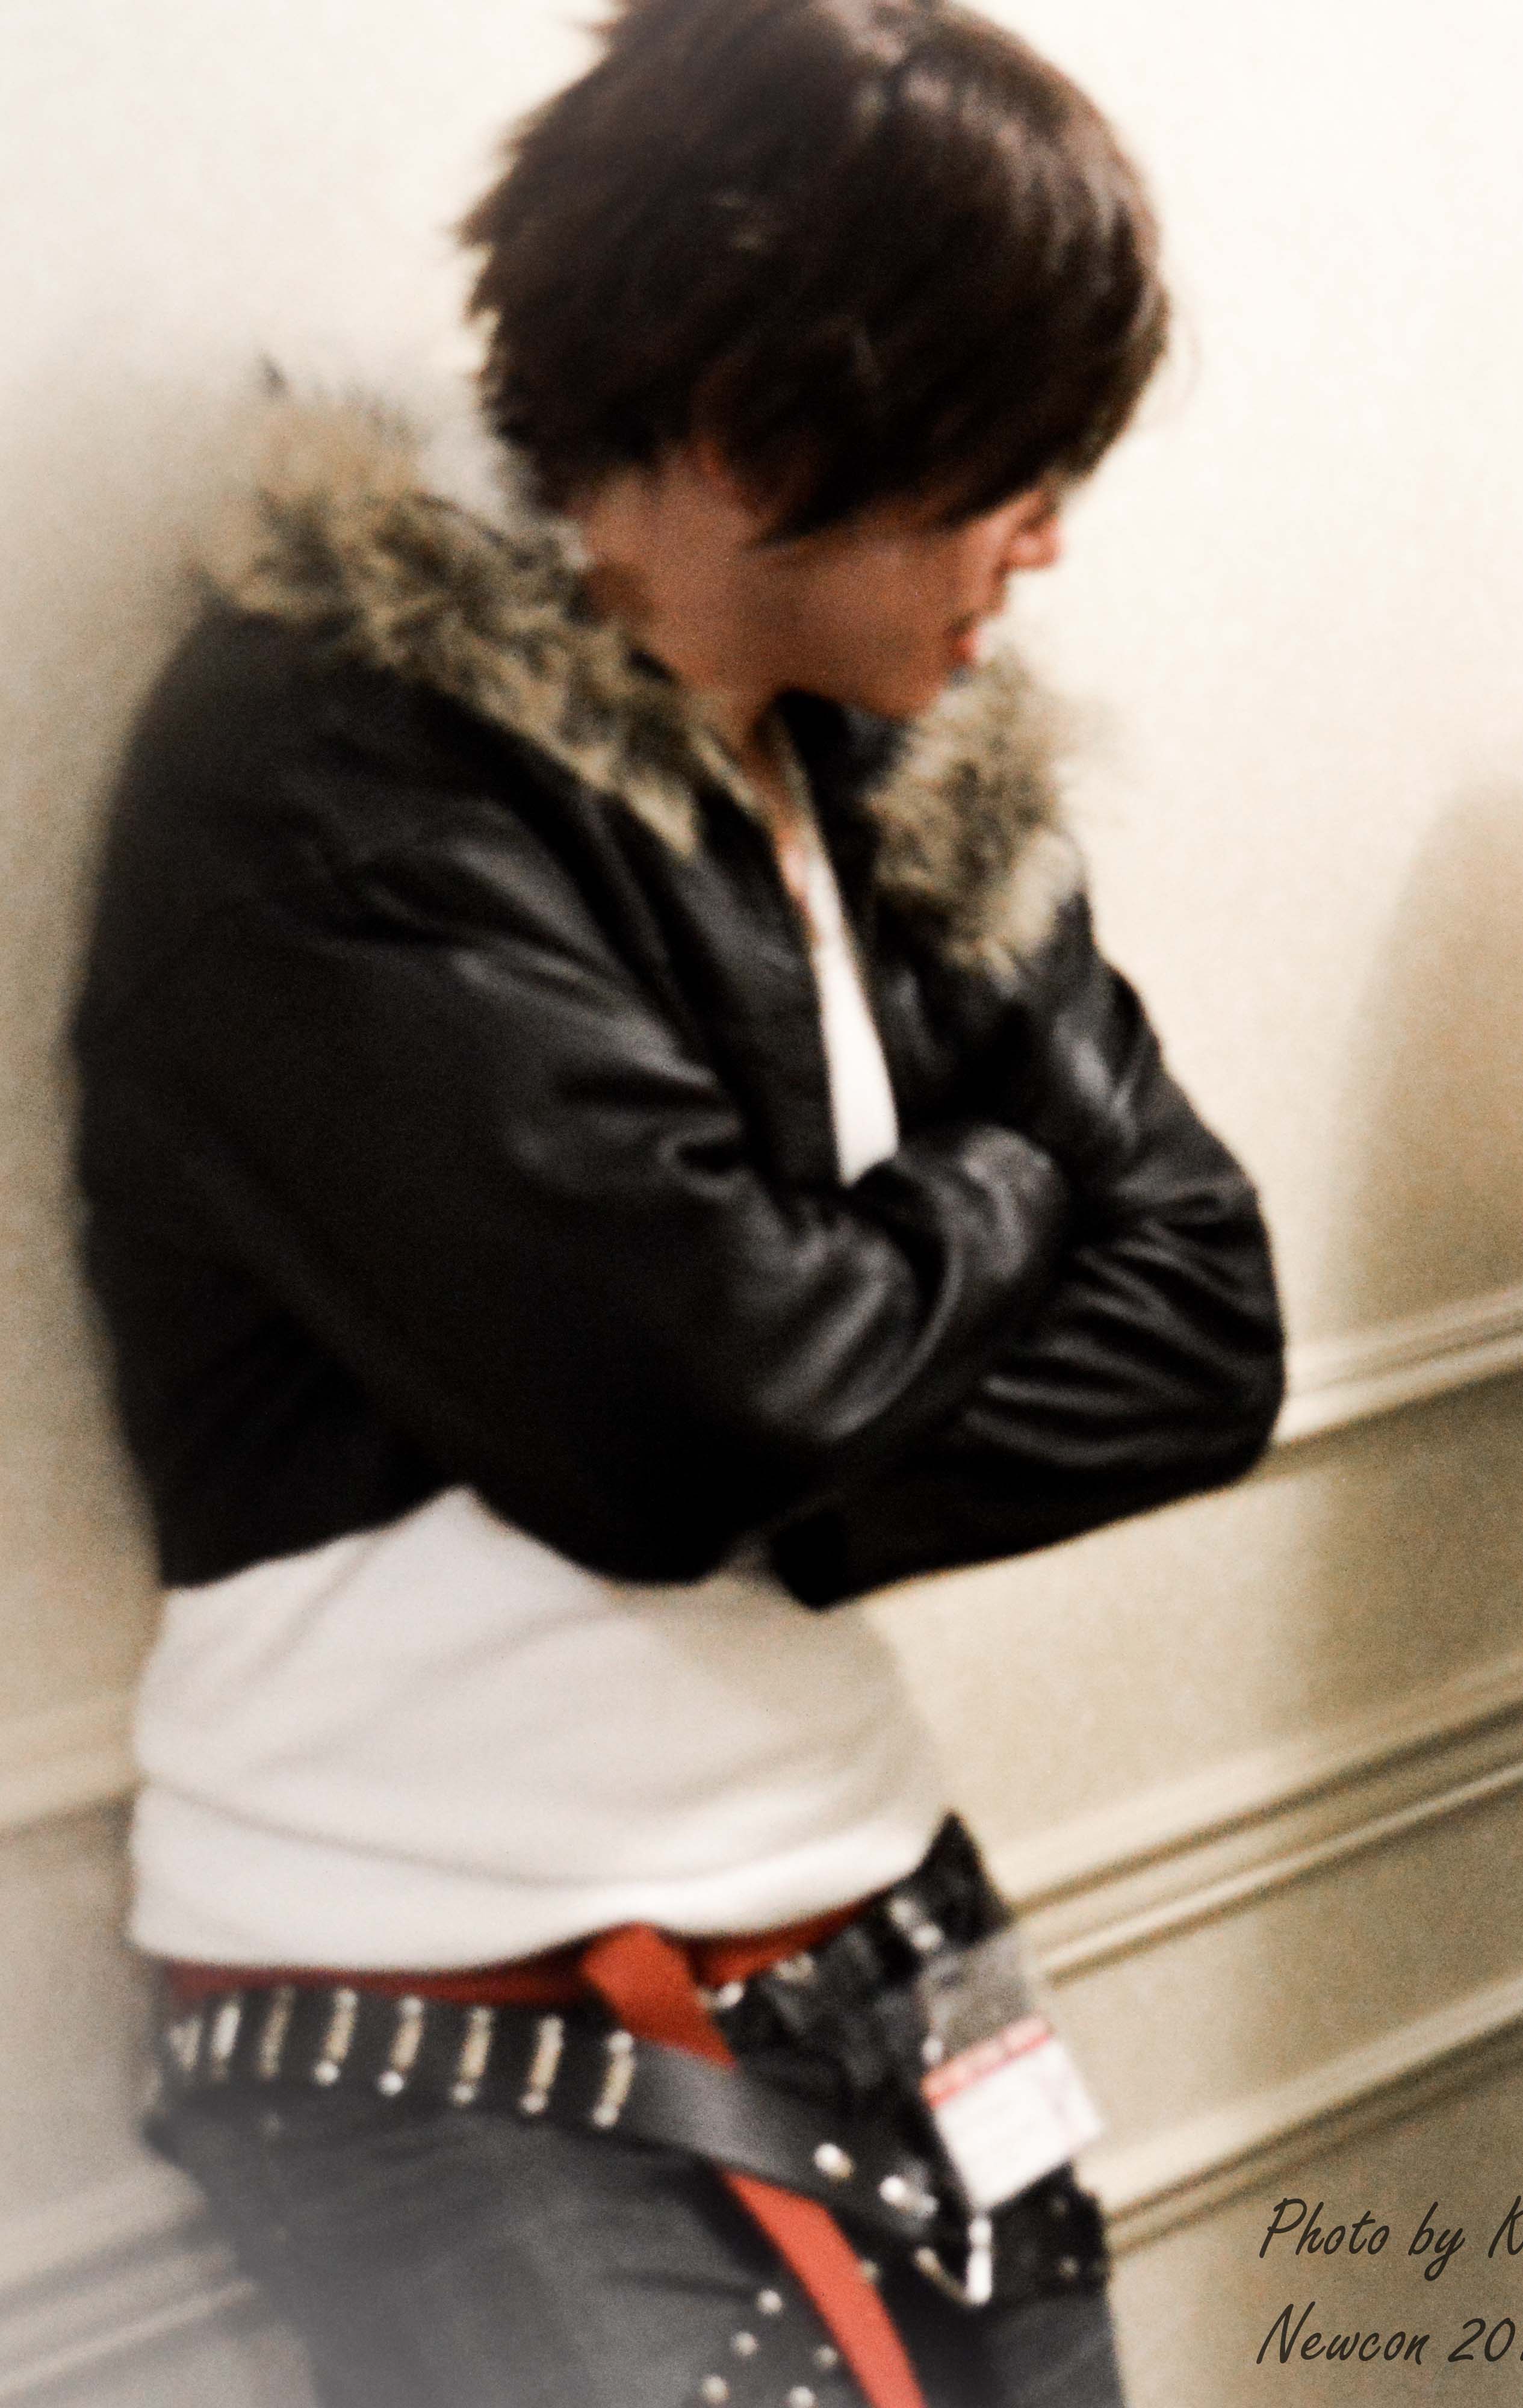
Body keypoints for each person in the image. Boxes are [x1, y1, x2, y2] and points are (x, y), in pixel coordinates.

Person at [67, 5, 1283, 2405]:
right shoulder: (341, 767)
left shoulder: (909, 780)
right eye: (1008, 461)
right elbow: (694, 1406)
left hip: (888, 1912)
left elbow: (1208, 1328)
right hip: (445, 2008)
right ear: (751, 429)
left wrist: (785, 1451)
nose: (1048, 536)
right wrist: (1004, 1180)